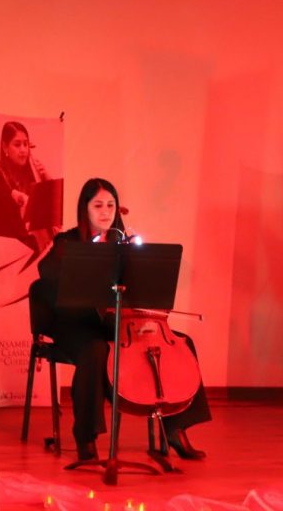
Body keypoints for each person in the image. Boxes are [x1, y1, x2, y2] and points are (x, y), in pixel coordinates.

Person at [30, 178, 211, 462]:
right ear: (85, 209)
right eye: (98, 205)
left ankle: (176, 429)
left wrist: (147, 315)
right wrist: (77, 263)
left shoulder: (124, 243)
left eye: (110, 205)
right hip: (76, 324)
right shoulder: (67, 242)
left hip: (117, 324)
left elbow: (144, 289)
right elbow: (46, 273)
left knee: (181, 343)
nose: (105, 211)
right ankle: (86, 437)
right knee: (95, 350)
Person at [0, 121, 51, 246]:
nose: (23, 150)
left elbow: (50, 204)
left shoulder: (31, 170)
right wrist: (13, 193)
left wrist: (45, 176)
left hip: (29, 240)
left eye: (25, 144)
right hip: (9, 244)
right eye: (17, 145)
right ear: (5, 147)